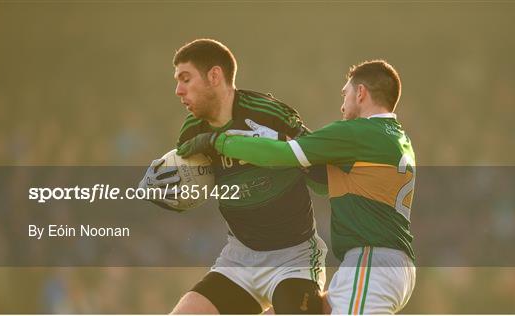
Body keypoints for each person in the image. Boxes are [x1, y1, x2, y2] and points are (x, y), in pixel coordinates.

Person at [179, 60, 417, 314]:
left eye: (345, 93)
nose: (342, 103)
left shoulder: (357, 132)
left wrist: (218, 141)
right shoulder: (397, 137)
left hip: (371, 262)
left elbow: (283, 155)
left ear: (360, 93)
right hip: (388, 265)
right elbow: (322, 178)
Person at [140, 39, 327, 314]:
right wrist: (167, 191)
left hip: (294, 258)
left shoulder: (269, 114)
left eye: (186, 79)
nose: (178, 90)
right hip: (239, 259)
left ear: (214, 76)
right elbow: (197, 189)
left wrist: (276, 143)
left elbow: (323, 178)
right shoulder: (191, 131)